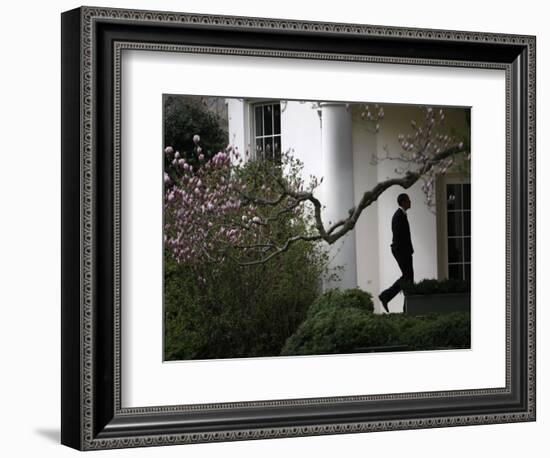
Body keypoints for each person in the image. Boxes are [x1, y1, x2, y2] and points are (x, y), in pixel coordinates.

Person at [378, 193, 414, 313]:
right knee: (407, 277)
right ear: (403, 202)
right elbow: (398, 237)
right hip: (402, 251)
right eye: (408, 200)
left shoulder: (401, 215)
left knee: (408, 279)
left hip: (404, 251)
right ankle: (386, 296)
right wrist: (405, 252)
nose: (410, 202)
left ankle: (406, 308)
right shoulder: (398, 216)